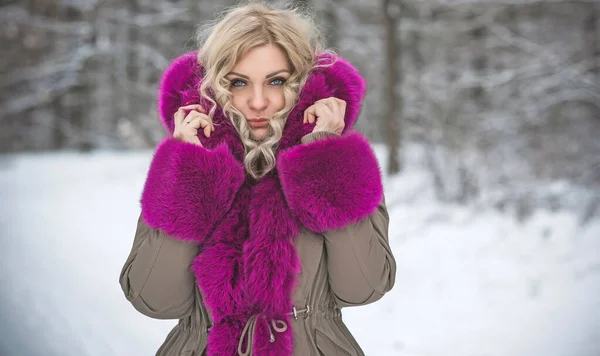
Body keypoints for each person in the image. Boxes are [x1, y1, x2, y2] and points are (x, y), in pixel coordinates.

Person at [119, 2, 396, 355]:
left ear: (301, 82)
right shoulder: (186, 164)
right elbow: (154, 300)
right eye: (238, 82)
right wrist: (191, 172)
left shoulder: (337, 161)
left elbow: (364, 287)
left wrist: (324, 158)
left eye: (277, 81)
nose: (259, 101)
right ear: (215, 85)